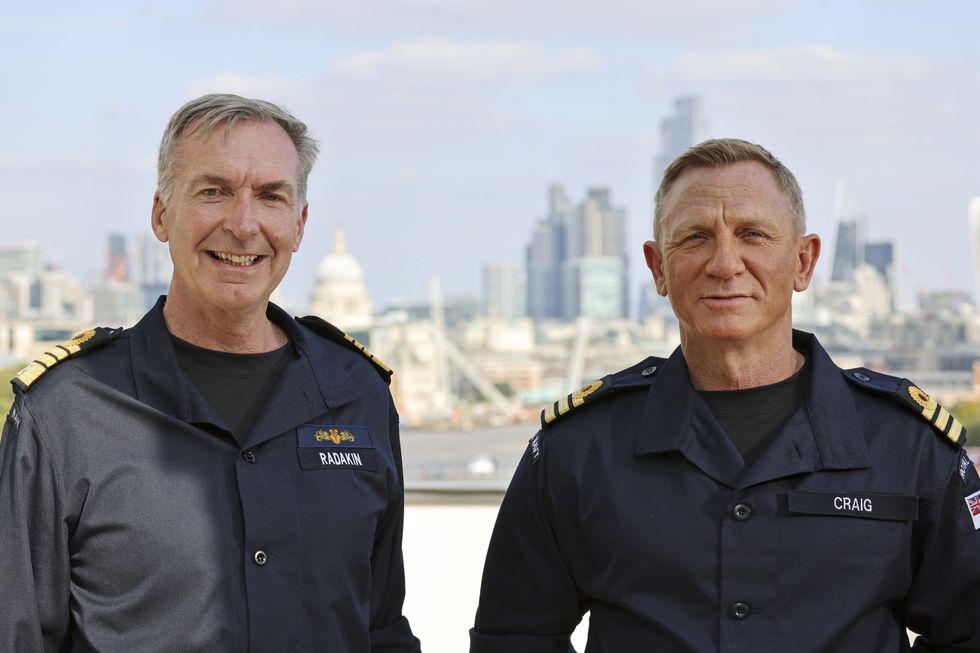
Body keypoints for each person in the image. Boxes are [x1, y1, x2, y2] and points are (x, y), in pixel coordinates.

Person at [470, 138, 980, 652]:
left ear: (803, 262)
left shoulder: (910, 447)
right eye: (694, 238)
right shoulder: (577, 450)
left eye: (753, 235)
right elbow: (514, 637)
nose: (724, 263)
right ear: (658, 269)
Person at [0, 94, 421, 652]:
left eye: (270, 197)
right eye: (213, 191)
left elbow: (381, 629)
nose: (243, 225)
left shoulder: (358, 394)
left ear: (298, 225)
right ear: (160, 214)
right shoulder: (65, 414)